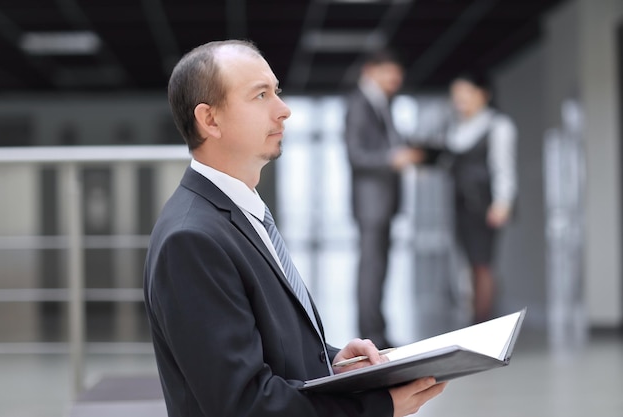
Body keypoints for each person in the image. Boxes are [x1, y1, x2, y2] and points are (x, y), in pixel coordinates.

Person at [143, 39, 446, 417]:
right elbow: (243, 404)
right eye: (260, 95)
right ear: (210, 120)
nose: (283, 110)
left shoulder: (240, 213)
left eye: (278, 92)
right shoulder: (191, 240)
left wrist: (333, 364)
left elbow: (266, 353)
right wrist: (373, 408)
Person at [344, 49, 423, 349]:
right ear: (370, 71)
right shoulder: (359, 104)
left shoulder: (382, 104)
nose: (396, 79)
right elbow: (357, 155)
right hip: (371, 202)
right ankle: (370, 337)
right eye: (390, 72)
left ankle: (378, 332)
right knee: (372, 269)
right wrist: (393, 158)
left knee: (380, 269)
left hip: (384, 201)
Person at [428, 74, 518, 324]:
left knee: (482, 264)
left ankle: (483, 321)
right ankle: (477, 318)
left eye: (465, 94)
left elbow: (504, 167)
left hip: (484, 205)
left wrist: (502, 202)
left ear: (482, 94)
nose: (460, 101)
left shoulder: (498, 126)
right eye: (456, 96)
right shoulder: (456, 127)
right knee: (470, 263)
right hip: (461, 205)